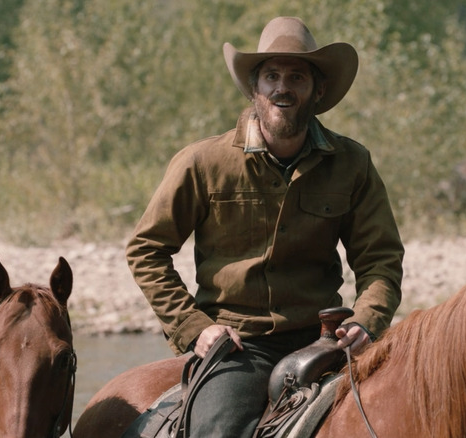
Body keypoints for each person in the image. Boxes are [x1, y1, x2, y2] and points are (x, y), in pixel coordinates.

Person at [126, 16, 404, 437]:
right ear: (254, 89)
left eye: (296, 76)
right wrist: (194, 328)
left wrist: (365, 322)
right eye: (271, 76)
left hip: (326, 338)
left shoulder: (352, 164)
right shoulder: (203, 164)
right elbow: (146, 250)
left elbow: (381, 260)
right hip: (238, 346)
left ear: (318, 90)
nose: (282, 87)